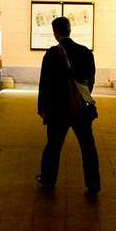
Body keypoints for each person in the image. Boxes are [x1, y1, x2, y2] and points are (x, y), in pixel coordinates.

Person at [36, 15, 101, 195]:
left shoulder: (51, 54)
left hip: (58, 109)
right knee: (87, 146)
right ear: (69, 30)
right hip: (81, 108)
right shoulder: (86, 52)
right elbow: (91, 81)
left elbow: (45, 84)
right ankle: (93, 183)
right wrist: (81, 98)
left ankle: (48, 179)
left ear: (55, 32)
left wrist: (43, 108)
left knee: (53, 146)